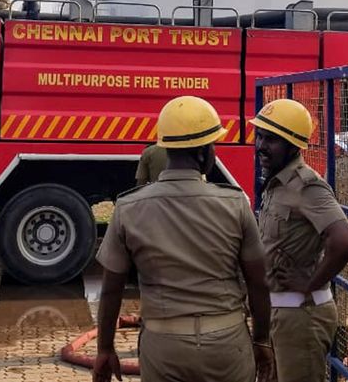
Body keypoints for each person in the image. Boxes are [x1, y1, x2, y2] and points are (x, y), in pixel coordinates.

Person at [93, 96, 275, 382]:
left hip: (163, 348)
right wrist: (261, 340)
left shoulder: (129, 208)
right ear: (203, 153)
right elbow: (258, 282)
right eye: (213, 145)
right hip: (226, 345)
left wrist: (105, 348)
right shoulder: (235, 204)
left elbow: (110, 290)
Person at [252, 98, 348, 382]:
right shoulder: (275, 183)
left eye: (272, 140)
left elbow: (345, 240)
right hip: (279, 313)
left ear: (293, 145)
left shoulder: (307, 186)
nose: (261, 145)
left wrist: (309, 283)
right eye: (260, 136)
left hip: (301, 317)